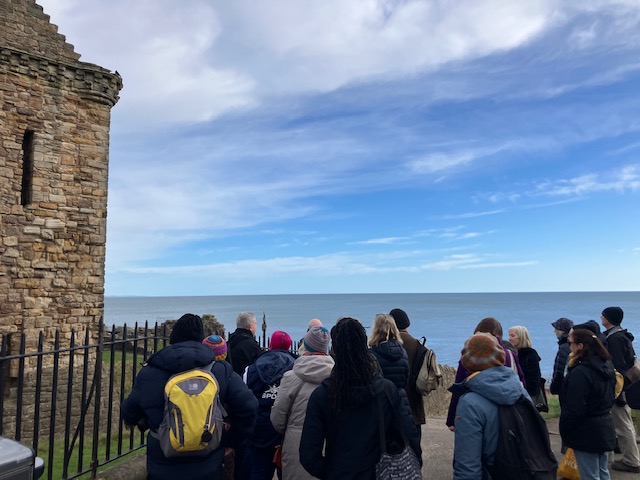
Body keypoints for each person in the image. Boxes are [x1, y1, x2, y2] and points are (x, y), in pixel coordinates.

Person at [120, 313, 258, 480]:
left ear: (173, 337)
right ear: (200, 339)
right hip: (209, 466)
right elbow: (249, 406)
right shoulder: (219, 370)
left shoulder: (150, 372)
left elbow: (129, 412)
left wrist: (149, 420)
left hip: (163, 468)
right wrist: (230, 440)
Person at [300, 317, 421, 479]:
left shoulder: (323, 395)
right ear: (365, 347)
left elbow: (308, 455)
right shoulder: (386, 391)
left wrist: (331, 473)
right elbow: (409, 435)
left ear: (334, 349)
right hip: (378, 473)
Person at [451, 332, 529, 479]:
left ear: (466, 362)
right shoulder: (519, 390)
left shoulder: (470, 403)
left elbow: (468, 465)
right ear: (500, 356)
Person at [270, 326, 334, 480]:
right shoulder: (338, 377)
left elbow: (277, 419)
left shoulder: (291, 377)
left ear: (306, 346)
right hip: (330, 446)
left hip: (296, 447)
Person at [446, 317, 526, 430]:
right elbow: (521, 383)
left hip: (475, 410)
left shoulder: (471, 356)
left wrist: (452, 419)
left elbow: (460, 385)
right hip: (507, 412)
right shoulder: (510, 355)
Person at [559, 327, 616, 479]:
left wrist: (566, 429)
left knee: (589, 475)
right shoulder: (606, 366)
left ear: (580, 346)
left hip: (586, 429)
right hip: (604, 424)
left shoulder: (581, 372)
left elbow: (574, 407)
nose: (569, 346)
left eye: (570, 343)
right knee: (602, 471)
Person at [243, 331, 297, 480]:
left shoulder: (251, 369)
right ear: (289, 347)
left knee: (259, 472)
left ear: (270, 345)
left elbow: (245, 400)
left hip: (259, 428)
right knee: (286, 473)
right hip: (285, 430)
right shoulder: (296, 369)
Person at [600, 306, 640, 473]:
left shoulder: (614, 338)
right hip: (627, 385)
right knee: (624, 422)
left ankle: (632, 461)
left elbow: (618, 367)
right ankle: (630, 457)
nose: (601, 317)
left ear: (609, 318)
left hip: (620, 387)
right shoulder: (621, 335)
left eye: (603, 315)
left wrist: (618, 392)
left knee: (623, 425)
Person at [389, 308, 427, 441]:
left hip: (391, 407)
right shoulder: (419, 346)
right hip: (414, 408)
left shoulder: (384, 346)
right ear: (407, 325)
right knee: (414, 448)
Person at [369, 314, 409, 391]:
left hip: (380, 396)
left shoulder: (371, 354)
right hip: (399, 396)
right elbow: (406, 378)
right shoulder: (403, 353)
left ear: (375, 330)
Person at [508, 325, 542, 398]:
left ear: (521, 337)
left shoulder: (530, 354)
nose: (509, 339)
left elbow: (534, 378)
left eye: (512, 336)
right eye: (509, 336)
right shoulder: (509, 353)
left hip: (526, 393)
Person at [228, 311, 262, 377]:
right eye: (255, 324)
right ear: (250, 327)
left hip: (232, 378)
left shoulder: (230, 341)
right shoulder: (251, 346)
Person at [550, 317, 573, 395]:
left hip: (565, 388)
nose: (554, 331)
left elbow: (560, 369)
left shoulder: (564, 347)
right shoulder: (571, 344)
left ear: (562, 331)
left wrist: (554, 388)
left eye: (556, 329)